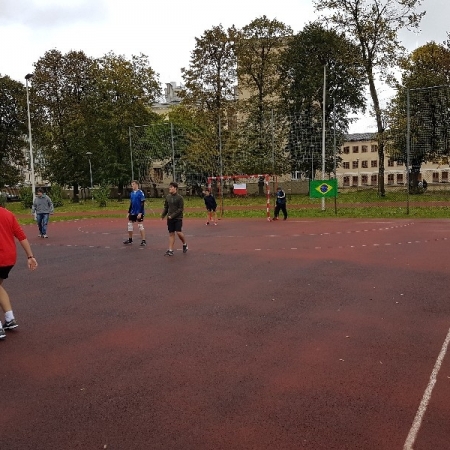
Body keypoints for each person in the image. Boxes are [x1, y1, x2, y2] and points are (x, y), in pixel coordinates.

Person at [0, 195, 38, 339]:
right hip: (9, 258)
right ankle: (9, 318)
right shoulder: (8, 214)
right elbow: (21, 235)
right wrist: (30, 256)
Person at [161, 182, 188, 256]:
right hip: (170, 219)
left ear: (175, 188)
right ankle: (170, 250)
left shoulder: (180, 198)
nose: (169, 188)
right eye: (169, 187)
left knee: (178, 232)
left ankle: (184, 244)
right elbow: (166, 207)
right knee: (171, 234)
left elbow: (180, 209)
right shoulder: (168, 197)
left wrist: (172, 216)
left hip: (178, 218)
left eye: (171, 187)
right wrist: (163, 215)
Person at [123, 180, 146, 246]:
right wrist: (129, 212)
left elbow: (142, 203)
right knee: (129, 224)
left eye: (133, 184)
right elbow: (131, 203)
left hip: (139, 212)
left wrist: (140, 213)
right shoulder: (132, 193)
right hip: (133, 212)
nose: (132, 186)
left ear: (136, 185)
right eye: (131, 184)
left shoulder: (140, 192)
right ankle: (130, 239)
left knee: (140, 225)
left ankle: (143, 240)